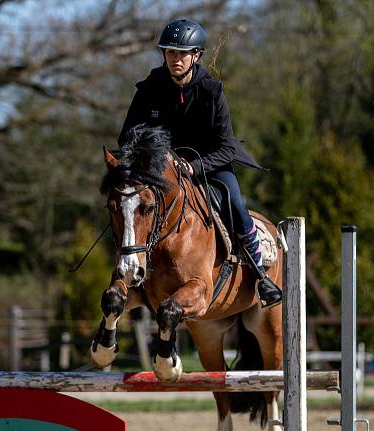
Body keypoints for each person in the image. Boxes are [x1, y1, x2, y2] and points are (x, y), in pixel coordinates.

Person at [118, 18, 282, 307]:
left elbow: (225, 147)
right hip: (161, 171)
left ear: (197, 56)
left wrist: (194, 167)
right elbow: (127, 135)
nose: (175, 59)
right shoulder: (149, 87)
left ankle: (260, 275)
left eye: (182, 53)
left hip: (210, 165)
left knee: (235, 202)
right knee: (129, 204)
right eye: (170, 52)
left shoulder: (212, 91)